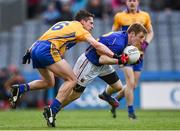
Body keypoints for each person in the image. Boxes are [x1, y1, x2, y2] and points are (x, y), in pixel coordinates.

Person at [9, 10, 118, 127]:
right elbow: (96, 45)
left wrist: (29, 51)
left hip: (36, 49)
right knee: (72, 80)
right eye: (90, 23)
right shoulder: (79, 29)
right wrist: (115, 56)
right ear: (82, 21)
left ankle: (20, 89)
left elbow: (43, 37)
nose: (92, 26)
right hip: (48, 50)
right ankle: (52, 109)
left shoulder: (63, 24)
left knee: (49, 82)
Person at [54, 23, 147, 125]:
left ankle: (105, 95)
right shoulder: (119, 42)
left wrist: (129, 60)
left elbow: (115, 57)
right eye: (141, 37)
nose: (142, 41)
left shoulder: (125, 39)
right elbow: (102, 59)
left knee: (118, 86)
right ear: (132, 34)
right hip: (89, 63)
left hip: (102, 65)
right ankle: (53, 110)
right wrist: (121, 61)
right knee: (75, 94)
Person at [99, 0, 154, 119]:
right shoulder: (119, 16)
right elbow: (114, 32)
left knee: (133, 85)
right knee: (130, 82)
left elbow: (150, 32)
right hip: (126, 54)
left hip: (139, 55)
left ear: (138, 2)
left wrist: (145, 44)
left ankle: (111, 97)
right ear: (126, 2)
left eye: (134, 0)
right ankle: (131, 112)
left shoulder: (145, 16)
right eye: (129, 0)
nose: (132, 3)